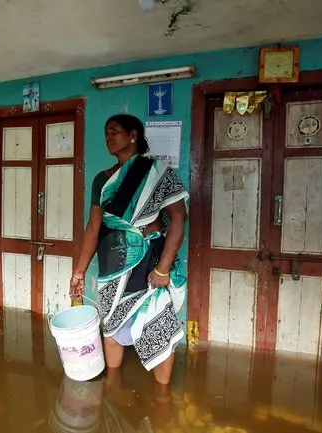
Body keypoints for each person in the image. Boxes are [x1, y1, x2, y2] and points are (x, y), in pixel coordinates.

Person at [70, 114, 189, 385]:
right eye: (106, 133)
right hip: (112, 266)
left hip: (148, 263)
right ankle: (112, 387)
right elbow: (93, 228)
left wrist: (163, 269)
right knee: (111, 325)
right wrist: (79, 272)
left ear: (133, 135)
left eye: (115, 131)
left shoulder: (158, 172)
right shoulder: (103, 179)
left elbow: (179, 219)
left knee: (156, 321)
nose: (108, 138)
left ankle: (161, 399)